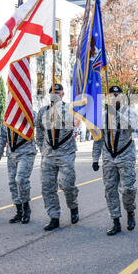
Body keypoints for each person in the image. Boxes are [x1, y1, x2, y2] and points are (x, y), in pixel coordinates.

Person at [92, 86, 138, 236]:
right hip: (108, 157)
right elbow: (98, 139)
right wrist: (95, 158)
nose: (114, 97)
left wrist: (117, 114)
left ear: (122, 97)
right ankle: (115, 220)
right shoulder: (104, 116)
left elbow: (133, 127)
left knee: (127, 189)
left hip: (125, 155)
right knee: (110, 190)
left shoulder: (129, 112)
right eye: (112, 95)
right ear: (108, 97)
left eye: (117, 95)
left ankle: (130, 211)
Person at [36, 84, 79, 231]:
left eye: (58, 93)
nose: (55, 95)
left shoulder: (70, 110)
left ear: (63, 95)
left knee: (67, 184)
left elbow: (72, 125)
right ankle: (54, 217)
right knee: (47, 187)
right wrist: (42, 148)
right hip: (48, 155)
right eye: (52, 93)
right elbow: (39, 132)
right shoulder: (42, 111)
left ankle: (73, 206)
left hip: (65, 153)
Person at [0, 115, 37, 224]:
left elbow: (40, 127)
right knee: (12, 182)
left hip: (26, 152)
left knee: (21, 179)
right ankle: (19, 211)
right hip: (11, 154)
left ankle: (26, 208)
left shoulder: (30, 113)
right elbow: (2, 137)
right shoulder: (9, 115)